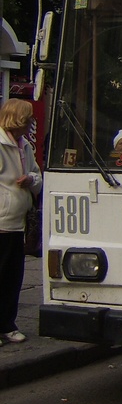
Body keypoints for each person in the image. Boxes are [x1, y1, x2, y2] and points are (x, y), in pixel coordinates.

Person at [0, 98, 43, 345]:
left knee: (13, 277)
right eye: (27, 119)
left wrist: (31, 181)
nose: (30, 123)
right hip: (2, 221)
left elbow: (37, 175)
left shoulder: (24, 145)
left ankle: (7, 324)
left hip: (18, 221)